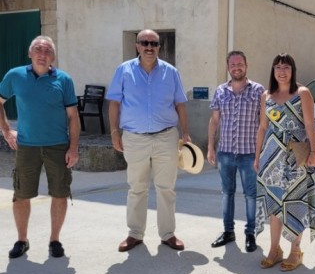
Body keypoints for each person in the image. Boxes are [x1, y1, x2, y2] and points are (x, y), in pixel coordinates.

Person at [107, 29, 190, 252]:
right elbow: (114, 103)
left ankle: (168, 234)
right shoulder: (123, 71)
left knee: (166, 188)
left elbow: (180, 104)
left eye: (154, 43)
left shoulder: (171, 72)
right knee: (137, 188)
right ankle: (135, 234)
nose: (149, 47)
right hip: (134, 138)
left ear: (159, 47)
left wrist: (186, 133)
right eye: (144, 43)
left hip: (166, 137)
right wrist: (114, 132)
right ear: (137, 46)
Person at [0, 35, 80, 259]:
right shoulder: (15, 76)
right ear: (30, 53)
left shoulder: (63, 80)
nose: (42, 54)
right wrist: (6, 130)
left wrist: (73, 147)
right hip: (27, 147)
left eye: (47, 51)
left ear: (53, 56)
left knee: (60, 193)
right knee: (21, 195)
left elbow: (73, 116)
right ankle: (22, 240)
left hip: (58, 146)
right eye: (38, 49)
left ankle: (54, 240)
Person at [254, 53, 315, 271]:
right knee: (274, 203)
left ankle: (295, 251)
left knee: (294, 202)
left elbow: (310, 125)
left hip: (296, 156)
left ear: (293, 71)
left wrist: (314, 152)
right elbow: (262, 127)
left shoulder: (302, 93)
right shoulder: (266, 95)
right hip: (271, 157)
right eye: (278, 67)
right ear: (273, 71)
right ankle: (274, 249)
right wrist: (257, 157)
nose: (282, 71)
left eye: (286, 67)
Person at [208, 51, 264, 252]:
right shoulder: (220, 91)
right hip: (225, 153)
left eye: (240, 63)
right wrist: (210, 147)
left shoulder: (258, 91)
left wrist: (260, 153)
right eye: (233, 64)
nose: (236, 67)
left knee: (251, 195)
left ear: (246, 65)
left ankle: (250, 234)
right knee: (227, 193)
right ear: (228, 67)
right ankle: (228, 232)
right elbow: (215, 121)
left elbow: (263, 124)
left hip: (249, 153)